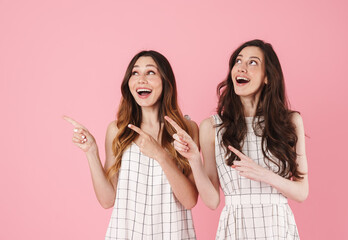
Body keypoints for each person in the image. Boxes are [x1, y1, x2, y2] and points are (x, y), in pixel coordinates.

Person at [167, 39, 309, 239]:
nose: (241, 68)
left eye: (252, 63)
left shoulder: (291, 121)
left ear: (267, 77)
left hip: (277, 226)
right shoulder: (213, 127)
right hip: (235, 227)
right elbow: (212, 201)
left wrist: (264, 174)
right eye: (238, 61)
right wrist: (193, 159)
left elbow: (302, 192)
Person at [64, 50, 199, 240]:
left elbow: (190, 200)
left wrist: (160, 155)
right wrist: (91, 152)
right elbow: (107, 200)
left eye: (150, 72)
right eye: (135, 73)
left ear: (166, 81)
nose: (141, 79)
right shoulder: (117, 131)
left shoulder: (186, 130)